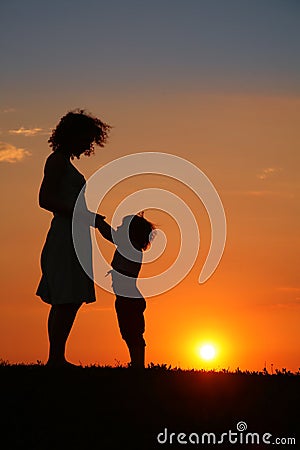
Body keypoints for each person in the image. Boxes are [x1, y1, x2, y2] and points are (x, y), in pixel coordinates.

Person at [36, 109, 111, 367]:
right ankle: (55, 358)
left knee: (71, 297)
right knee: (65, 297)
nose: (87, 145)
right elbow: (45, 199)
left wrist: (94, 221)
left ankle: (57, 357)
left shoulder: (65, 163)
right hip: (64, 235)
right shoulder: (56, 161)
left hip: (75, 235)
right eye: (85, 139)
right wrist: (87, 217)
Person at [96, 212, 155, 369]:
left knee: (133, 332)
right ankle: (136, 364)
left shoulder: (130, 247)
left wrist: (97, 222)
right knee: (130, 333)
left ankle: (138, 365)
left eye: (122, 226)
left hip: (129, 299)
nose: (118, 227)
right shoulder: (129, 247)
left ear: (131, 232)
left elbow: (110, 235)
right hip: (126, 298)